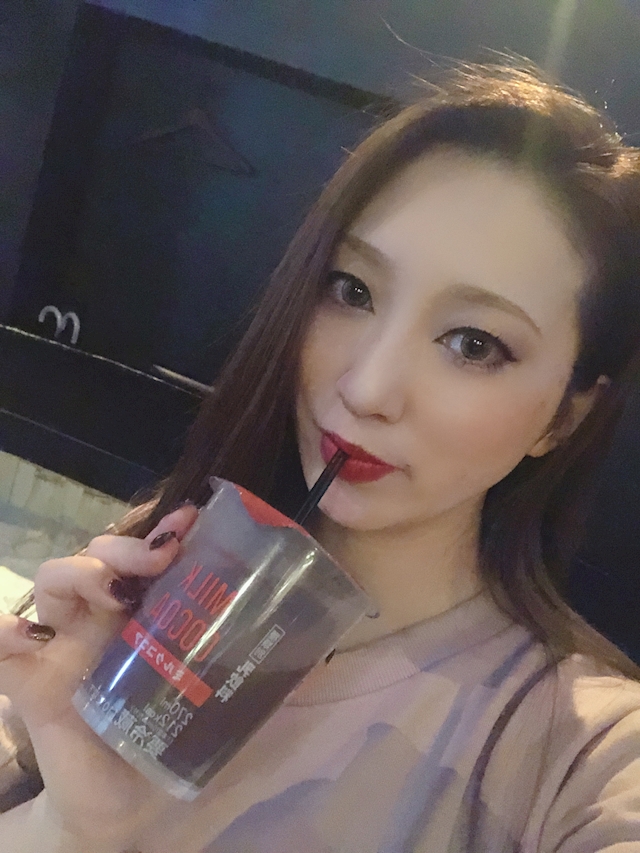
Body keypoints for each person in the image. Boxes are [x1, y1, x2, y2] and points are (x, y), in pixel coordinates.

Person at [1, 59, 640, 853]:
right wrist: (72, 824)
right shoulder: (164, 572)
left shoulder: (581, 755)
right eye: (352, 290)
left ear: (566, 416)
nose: (367, 388)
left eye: (474, 344)